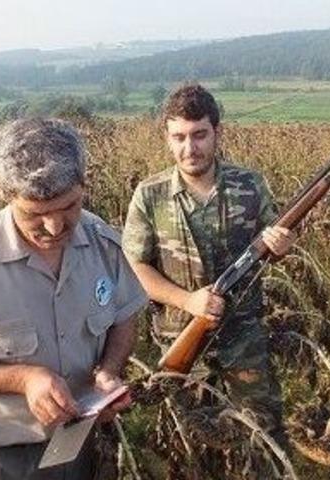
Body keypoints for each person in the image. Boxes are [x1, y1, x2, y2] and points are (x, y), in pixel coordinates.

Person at [0, 118, 147, 480]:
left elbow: (123, 318)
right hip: (3, 459)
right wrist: (23, 379)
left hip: (81, 444)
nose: (55, 227)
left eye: (69, 207)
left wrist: (108, 371)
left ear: (83, 185)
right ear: (3, 192)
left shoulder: (104, 245)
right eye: (35, 214)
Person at [122, 84, 295, 444]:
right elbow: (135, 269)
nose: (190, 148)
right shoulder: (150, 195)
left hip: (244, 338)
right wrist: (188, 301)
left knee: (262, 434)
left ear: (217, 132)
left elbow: (274, 244)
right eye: (179, 137)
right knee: (195, 438)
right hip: (182, 338)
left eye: (199, 135)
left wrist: (281, 246)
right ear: (167, 139)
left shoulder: (250, 185)